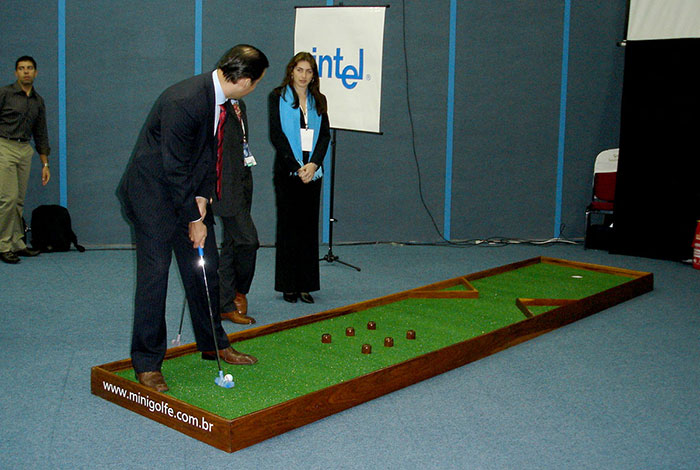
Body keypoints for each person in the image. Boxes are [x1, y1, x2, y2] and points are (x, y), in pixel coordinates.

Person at [118, 45, 268, 392]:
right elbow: (174, 166)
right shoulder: (184, 101)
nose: (255, 87)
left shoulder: (222, 103)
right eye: (257, 81)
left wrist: (202, 200)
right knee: (155, 277)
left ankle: (213, 344)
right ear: (245, 81)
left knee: (205, 269)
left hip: (186, 190)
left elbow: (207, 155)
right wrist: (194, 219)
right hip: (152, 196)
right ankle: (147, 362)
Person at [269, 52, 330, 304]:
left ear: (314, 75)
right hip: (288, 171)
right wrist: (297, 167)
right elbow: (277, 135)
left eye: (309, 71)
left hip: (313, 173)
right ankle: (288, 285)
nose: (304, 76)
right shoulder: (277, 96)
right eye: (300, 70)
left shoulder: (320, 100)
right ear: (291, 71)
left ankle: (306, 285)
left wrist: (313, 165)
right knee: (288, 228)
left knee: (307, 229)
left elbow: (324, 135)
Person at [212, 79, 259, 325]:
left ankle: (225, 303)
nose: (251, 86)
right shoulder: (216, 106)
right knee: (248, 241)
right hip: (226, 185)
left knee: (232, 242)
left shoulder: (240, 105)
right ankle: (239, 292)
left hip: (243, 178)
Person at [0, 56, 50, 264]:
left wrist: (45, 164)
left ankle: (17, 243)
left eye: (29, 68)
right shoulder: (5, 94)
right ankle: (3, 245)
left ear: (35, 73)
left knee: (19, 200)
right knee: (8, 199)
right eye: (21, 68)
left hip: (24, 149)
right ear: (16, 73)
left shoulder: (38, 101)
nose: (26, 72)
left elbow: (41, 133)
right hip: (4, 146)